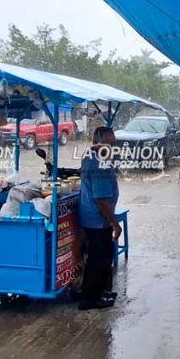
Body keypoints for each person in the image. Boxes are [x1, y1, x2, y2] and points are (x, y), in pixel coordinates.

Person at [78, 126, 122, 310]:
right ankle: (90, 299)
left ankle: (101, 292)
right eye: (109, 143)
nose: (112, 146)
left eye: (114, 143)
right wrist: (115, 223)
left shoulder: (94, 156)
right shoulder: (98, 163)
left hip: (96, 218)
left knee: (103, 257)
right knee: (98, 259)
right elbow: (101, 199)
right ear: (98, 142)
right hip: (97, 220)